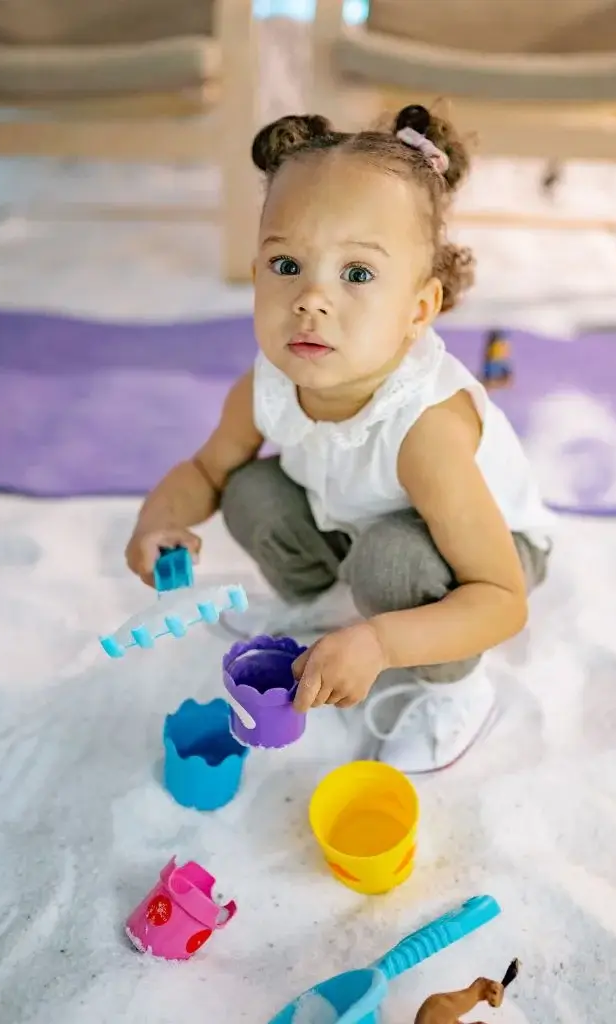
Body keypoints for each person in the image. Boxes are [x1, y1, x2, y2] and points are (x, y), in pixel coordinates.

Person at [125, 103, 553, 773]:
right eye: (286, 264)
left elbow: (502, 601)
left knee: (392, 562)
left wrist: (381, 644)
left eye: (357, 274)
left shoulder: (425, 430)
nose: (310, 299)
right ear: (256, 272)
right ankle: (328, 603)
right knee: (249, 490)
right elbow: (206, 471)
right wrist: (157, 524)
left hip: (485, 561)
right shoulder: (269, 384)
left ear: (418, 310)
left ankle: (456, 691)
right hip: (357, 526)